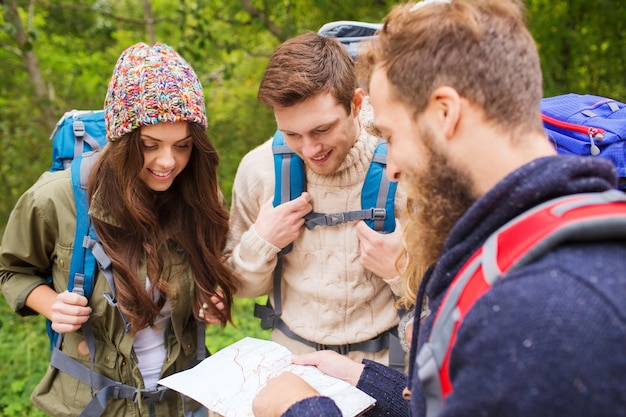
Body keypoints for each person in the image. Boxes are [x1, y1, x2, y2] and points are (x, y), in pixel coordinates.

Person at [251, 0, 626, 416]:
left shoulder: (535, 309)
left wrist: (302, 409)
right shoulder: (523, 249)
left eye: (391, 136)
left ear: (445, 113)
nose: (391, 168)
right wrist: (366, 379)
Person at [0, 42, 239, 417]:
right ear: (122, 141)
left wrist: (209, 298)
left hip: (181, 403)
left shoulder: (198, 198)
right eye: (149, 145)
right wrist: (51, 305)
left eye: (183, 146)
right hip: (94, 405)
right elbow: (11, 271)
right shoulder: (56, 198)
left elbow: (211, 270)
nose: (168, 161)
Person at [224, 31, 407, 366]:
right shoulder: (261, 170)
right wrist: (262, 241)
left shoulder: (403, 163)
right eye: (292, 134)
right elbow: (238, 287)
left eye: (321, 130)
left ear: (356, 104)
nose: (310, 149)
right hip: (295, 364)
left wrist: (399, 269)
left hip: (385, 367)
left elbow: (447, 294)